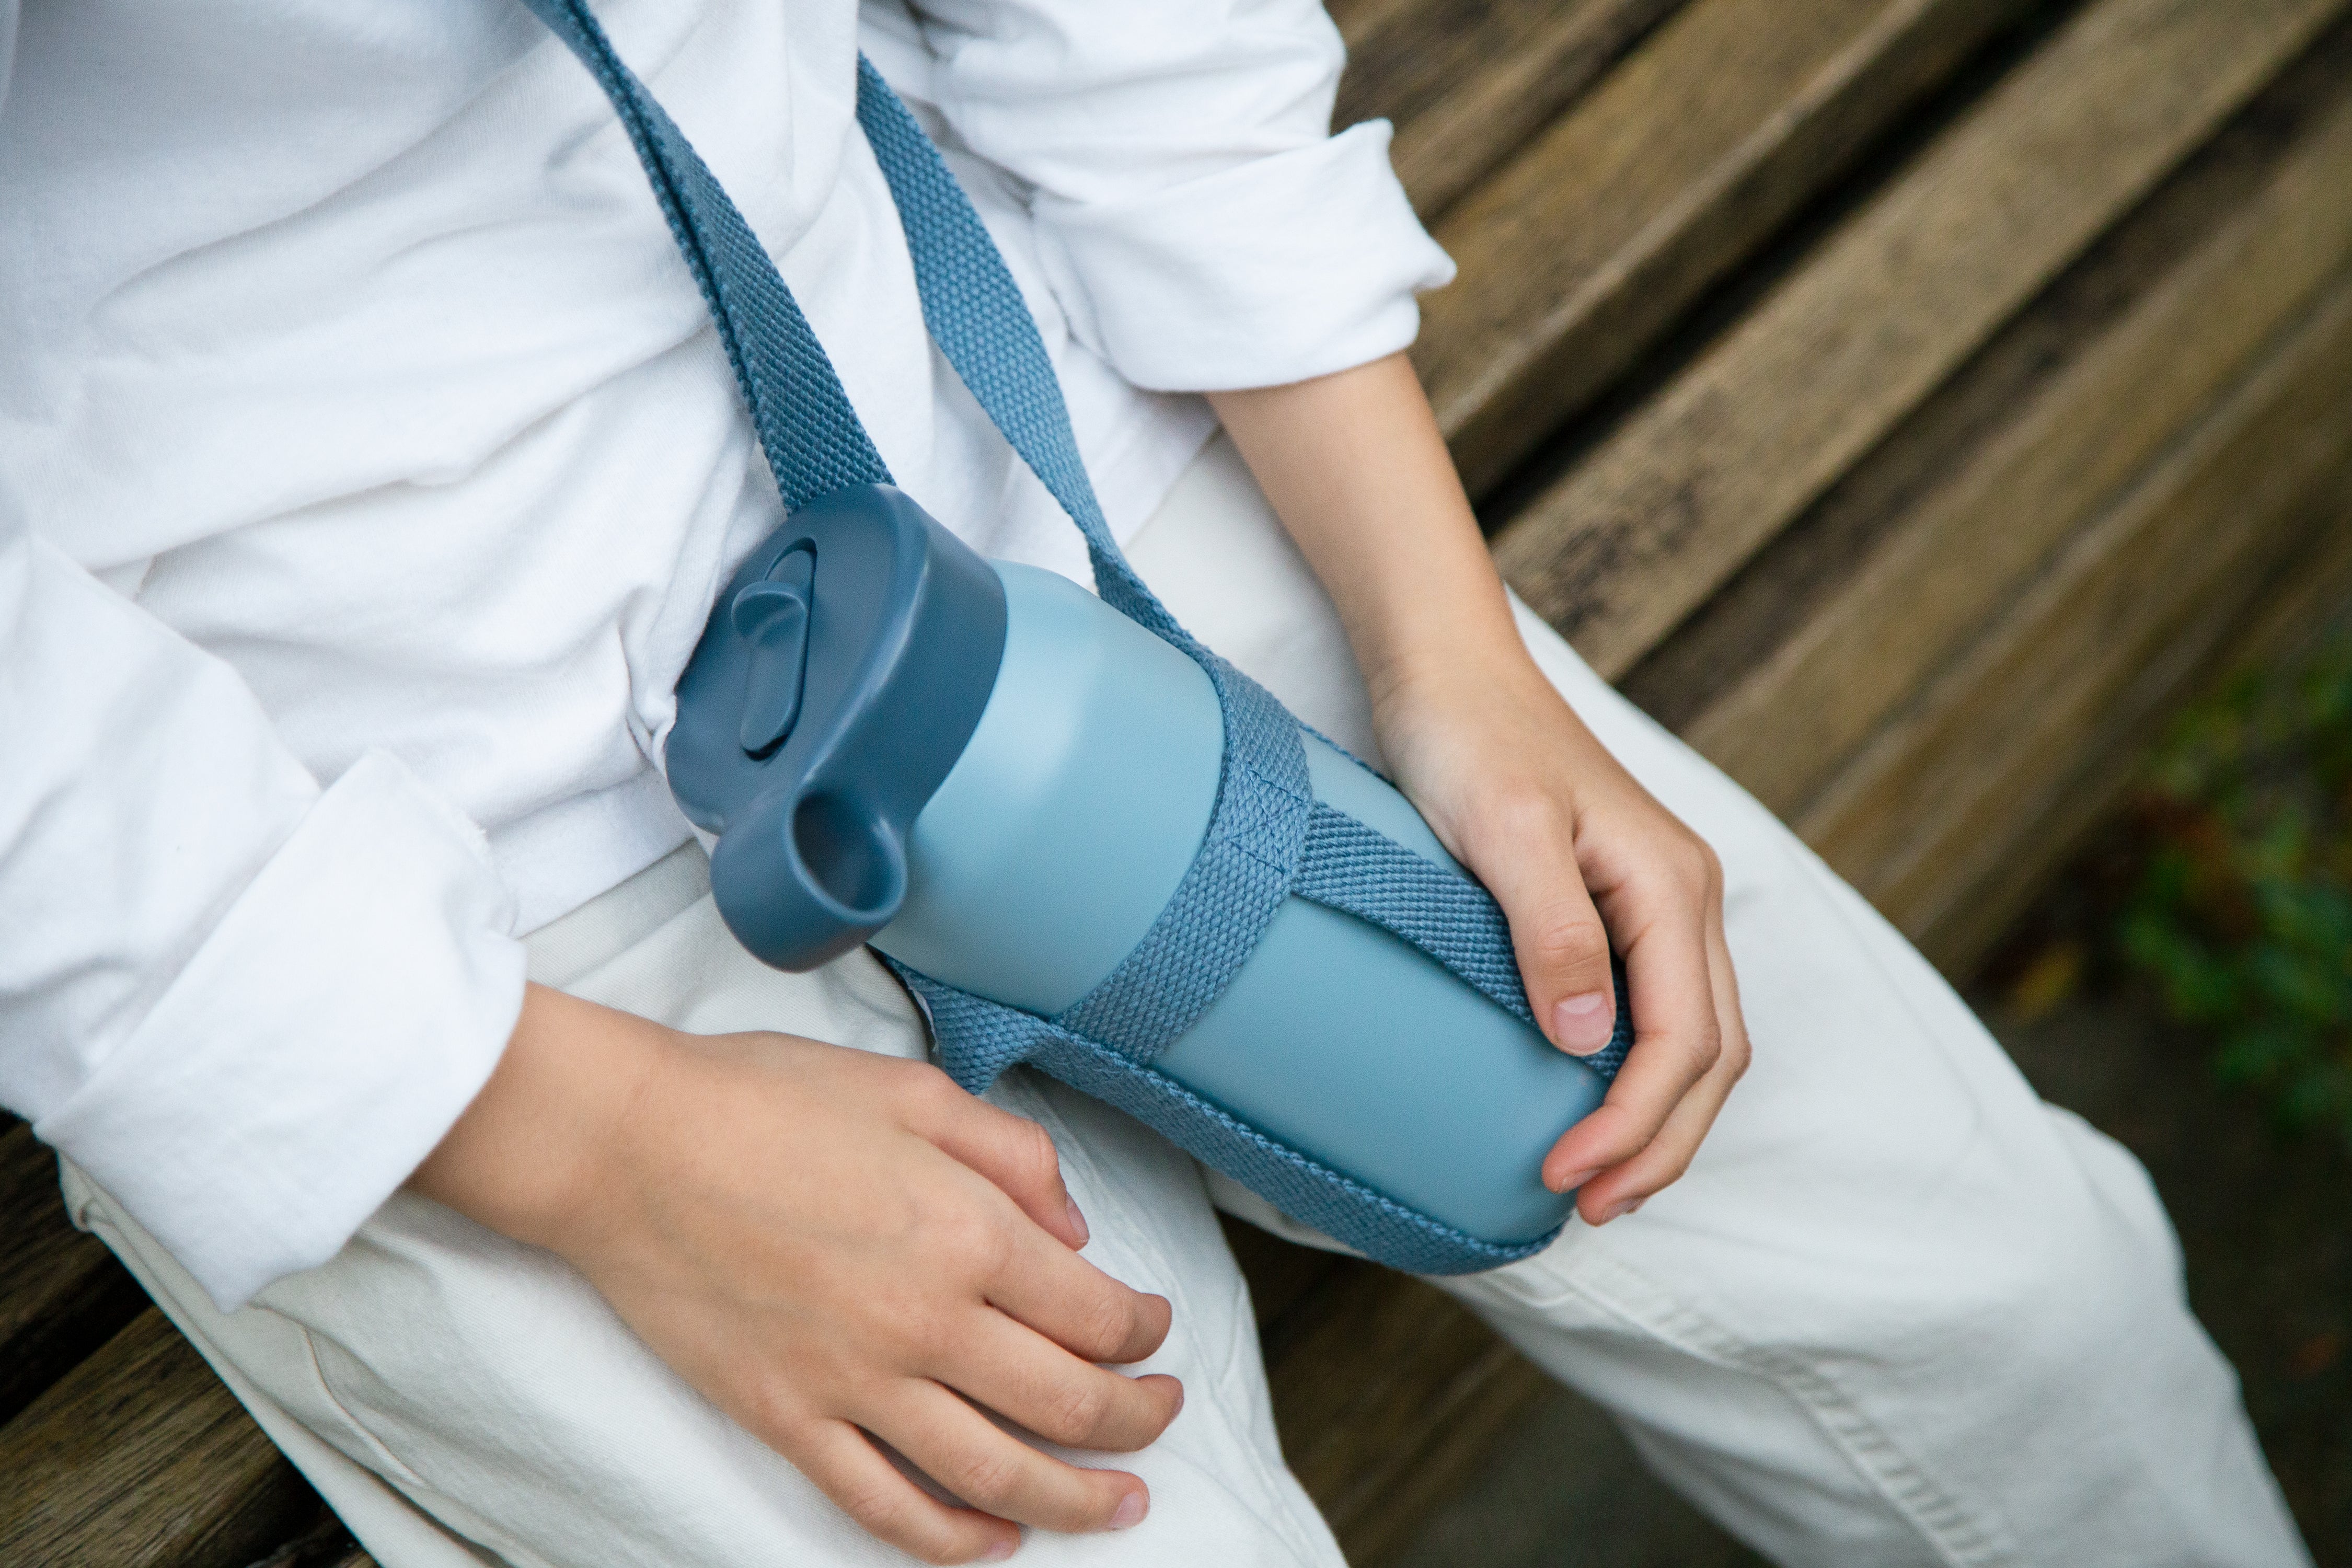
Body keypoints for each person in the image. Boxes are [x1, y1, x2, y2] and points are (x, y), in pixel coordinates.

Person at [0, 1, 2309, 1564]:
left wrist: (1449, 655)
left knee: (2014, 1315)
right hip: (377, 872)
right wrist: (586, 1145)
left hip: (991, 470)